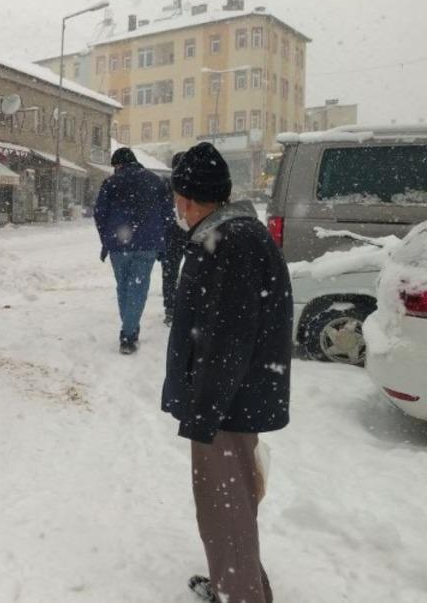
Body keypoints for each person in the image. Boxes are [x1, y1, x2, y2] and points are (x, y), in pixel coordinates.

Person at [163, 142, 293, 603]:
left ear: (188, 198)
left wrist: (205, 410)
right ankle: (242, 584)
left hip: (227, 403)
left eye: (178, 197)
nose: (176, 207)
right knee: (232, 498)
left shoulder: (230, 242)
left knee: (225, 505)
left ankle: (239, 594)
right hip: (234, 396)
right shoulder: (231, 234)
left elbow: (229, 337)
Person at [94, 147, 172, 354]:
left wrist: (106, 239)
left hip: (119, 245)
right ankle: (129, 334)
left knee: (123, 287)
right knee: (138, 287)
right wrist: (160, 238)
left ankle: (129, 332)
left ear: (119, 165)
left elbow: (100, 213)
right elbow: (167, 214)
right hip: (147, 244)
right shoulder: (156, 181)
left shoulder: (111, 183)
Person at [160, 151, 187, 326]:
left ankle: (170, 308)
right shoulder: (194, 183)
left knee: (169, 272)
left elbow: (161, 211)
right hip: (192, 233)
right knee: (194, 271)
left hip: (171, 234)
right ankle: (188, 306)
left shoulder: (166, 184)